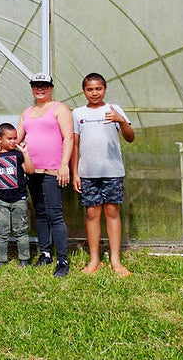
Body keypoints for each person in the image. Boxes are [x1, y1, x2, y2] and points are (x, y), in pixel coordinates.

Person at [71, 72, 135, 277]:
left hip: (112, 171)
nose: (94, 93)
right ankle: (94, 259)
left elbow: (130, 137)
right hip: (88, 172)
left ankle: (115, 260)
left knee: (112, 212)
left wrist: (121, 120)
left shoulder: (113, 110)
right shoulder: (78, 113)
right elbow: (75, 144)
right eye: (90, 89)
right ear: (84, 91)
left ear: (104, 89)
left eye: (98, 88)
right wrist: (75, 172)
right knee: (91, 214)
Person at [17, 72, 73, 278]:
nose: (40, 89)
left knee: (54, 214)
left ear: (51, 88)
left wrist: (64, 165)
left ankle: (63, 259)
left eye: (44, 85)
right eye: (36, 85)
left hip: (52, 170)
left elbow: (68, 138)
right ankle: (45, 253)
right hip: (32, 170)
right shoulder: (28, 112)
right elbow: (17, 137)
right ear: (32, 88)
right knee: (40, 212)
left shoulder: (60, 108)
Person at [0, 122, 35, 267]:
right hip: (0, 200)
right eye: (10, 139)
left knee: (21, 231)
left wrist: (25, 153)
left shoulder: (19, 154)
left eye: (15, 138)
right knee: (2, 231)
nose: (14, 141)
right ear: (0, 139)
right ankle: (1, 260)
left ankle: (24, 259)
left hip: (19, 198)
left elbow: (30, 170)